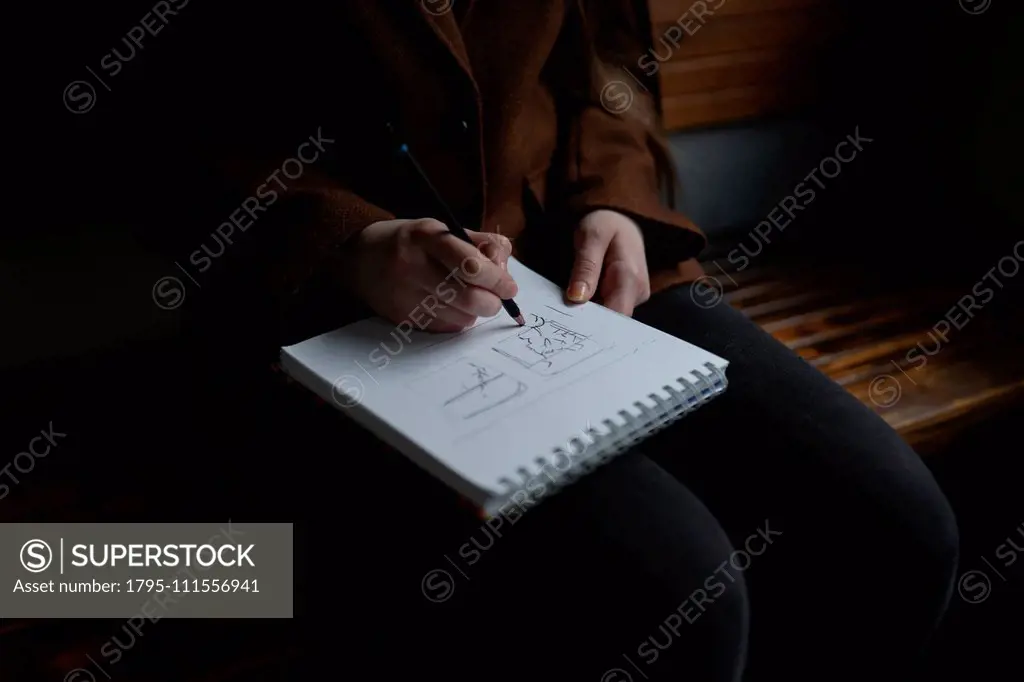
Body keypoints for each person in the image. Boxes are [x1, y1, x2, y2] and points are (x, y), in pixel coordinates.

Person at [142, 1, 959, 680]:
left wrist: (612, 200)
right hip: (323, 318)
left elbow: (608, 61)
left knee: (895, 525)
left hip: (576, 269)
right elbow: (167, 121)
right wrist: (348, 243)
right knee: (676, 589)